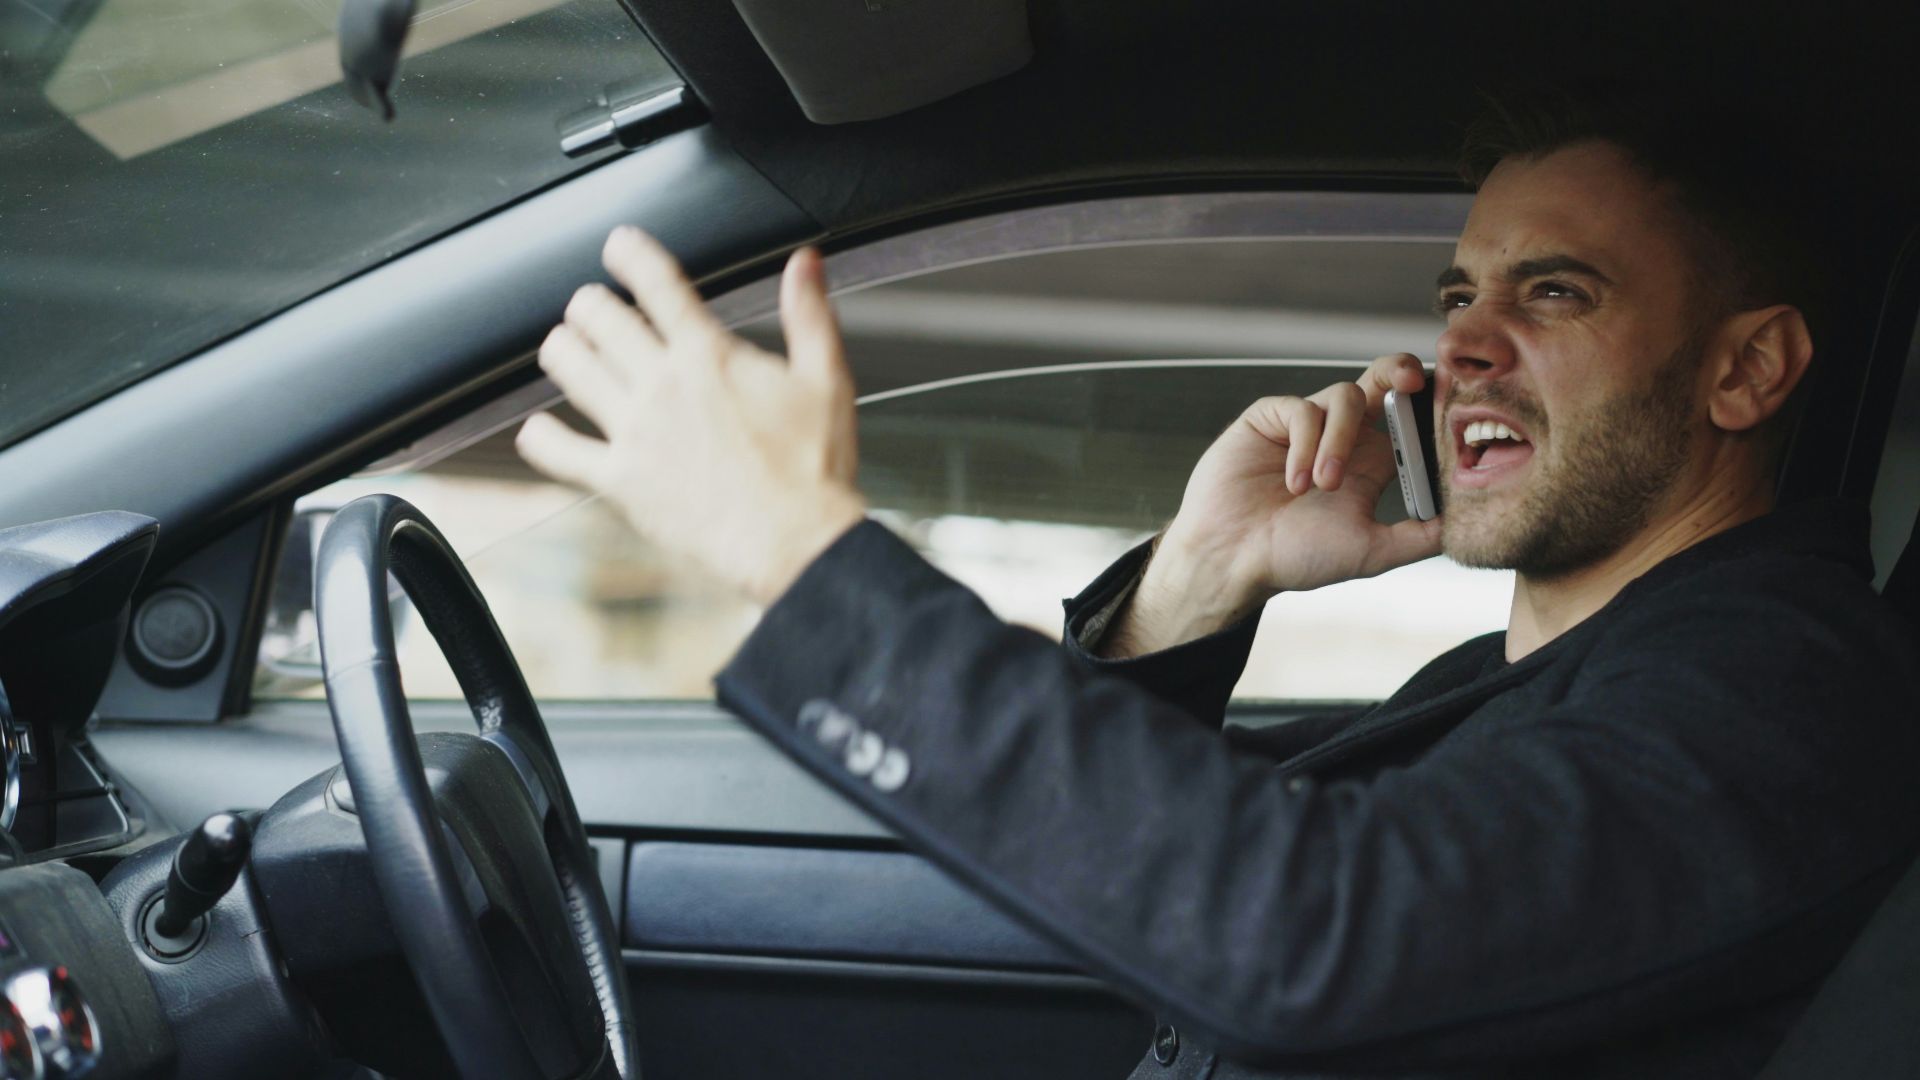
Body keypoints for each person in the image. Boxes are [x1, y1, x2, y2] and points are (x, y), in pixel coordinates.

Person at [514, 89, 1920, 1078]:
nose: (1462, 349)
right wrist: (1195, 589)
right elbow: (1160, 877)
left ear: (1748, 369)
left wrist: (796, 552)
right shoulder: (1517, 685)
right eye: (1458, 297)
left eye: (1554, 294)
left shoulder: (1789, 695)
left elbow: (1310, 936)